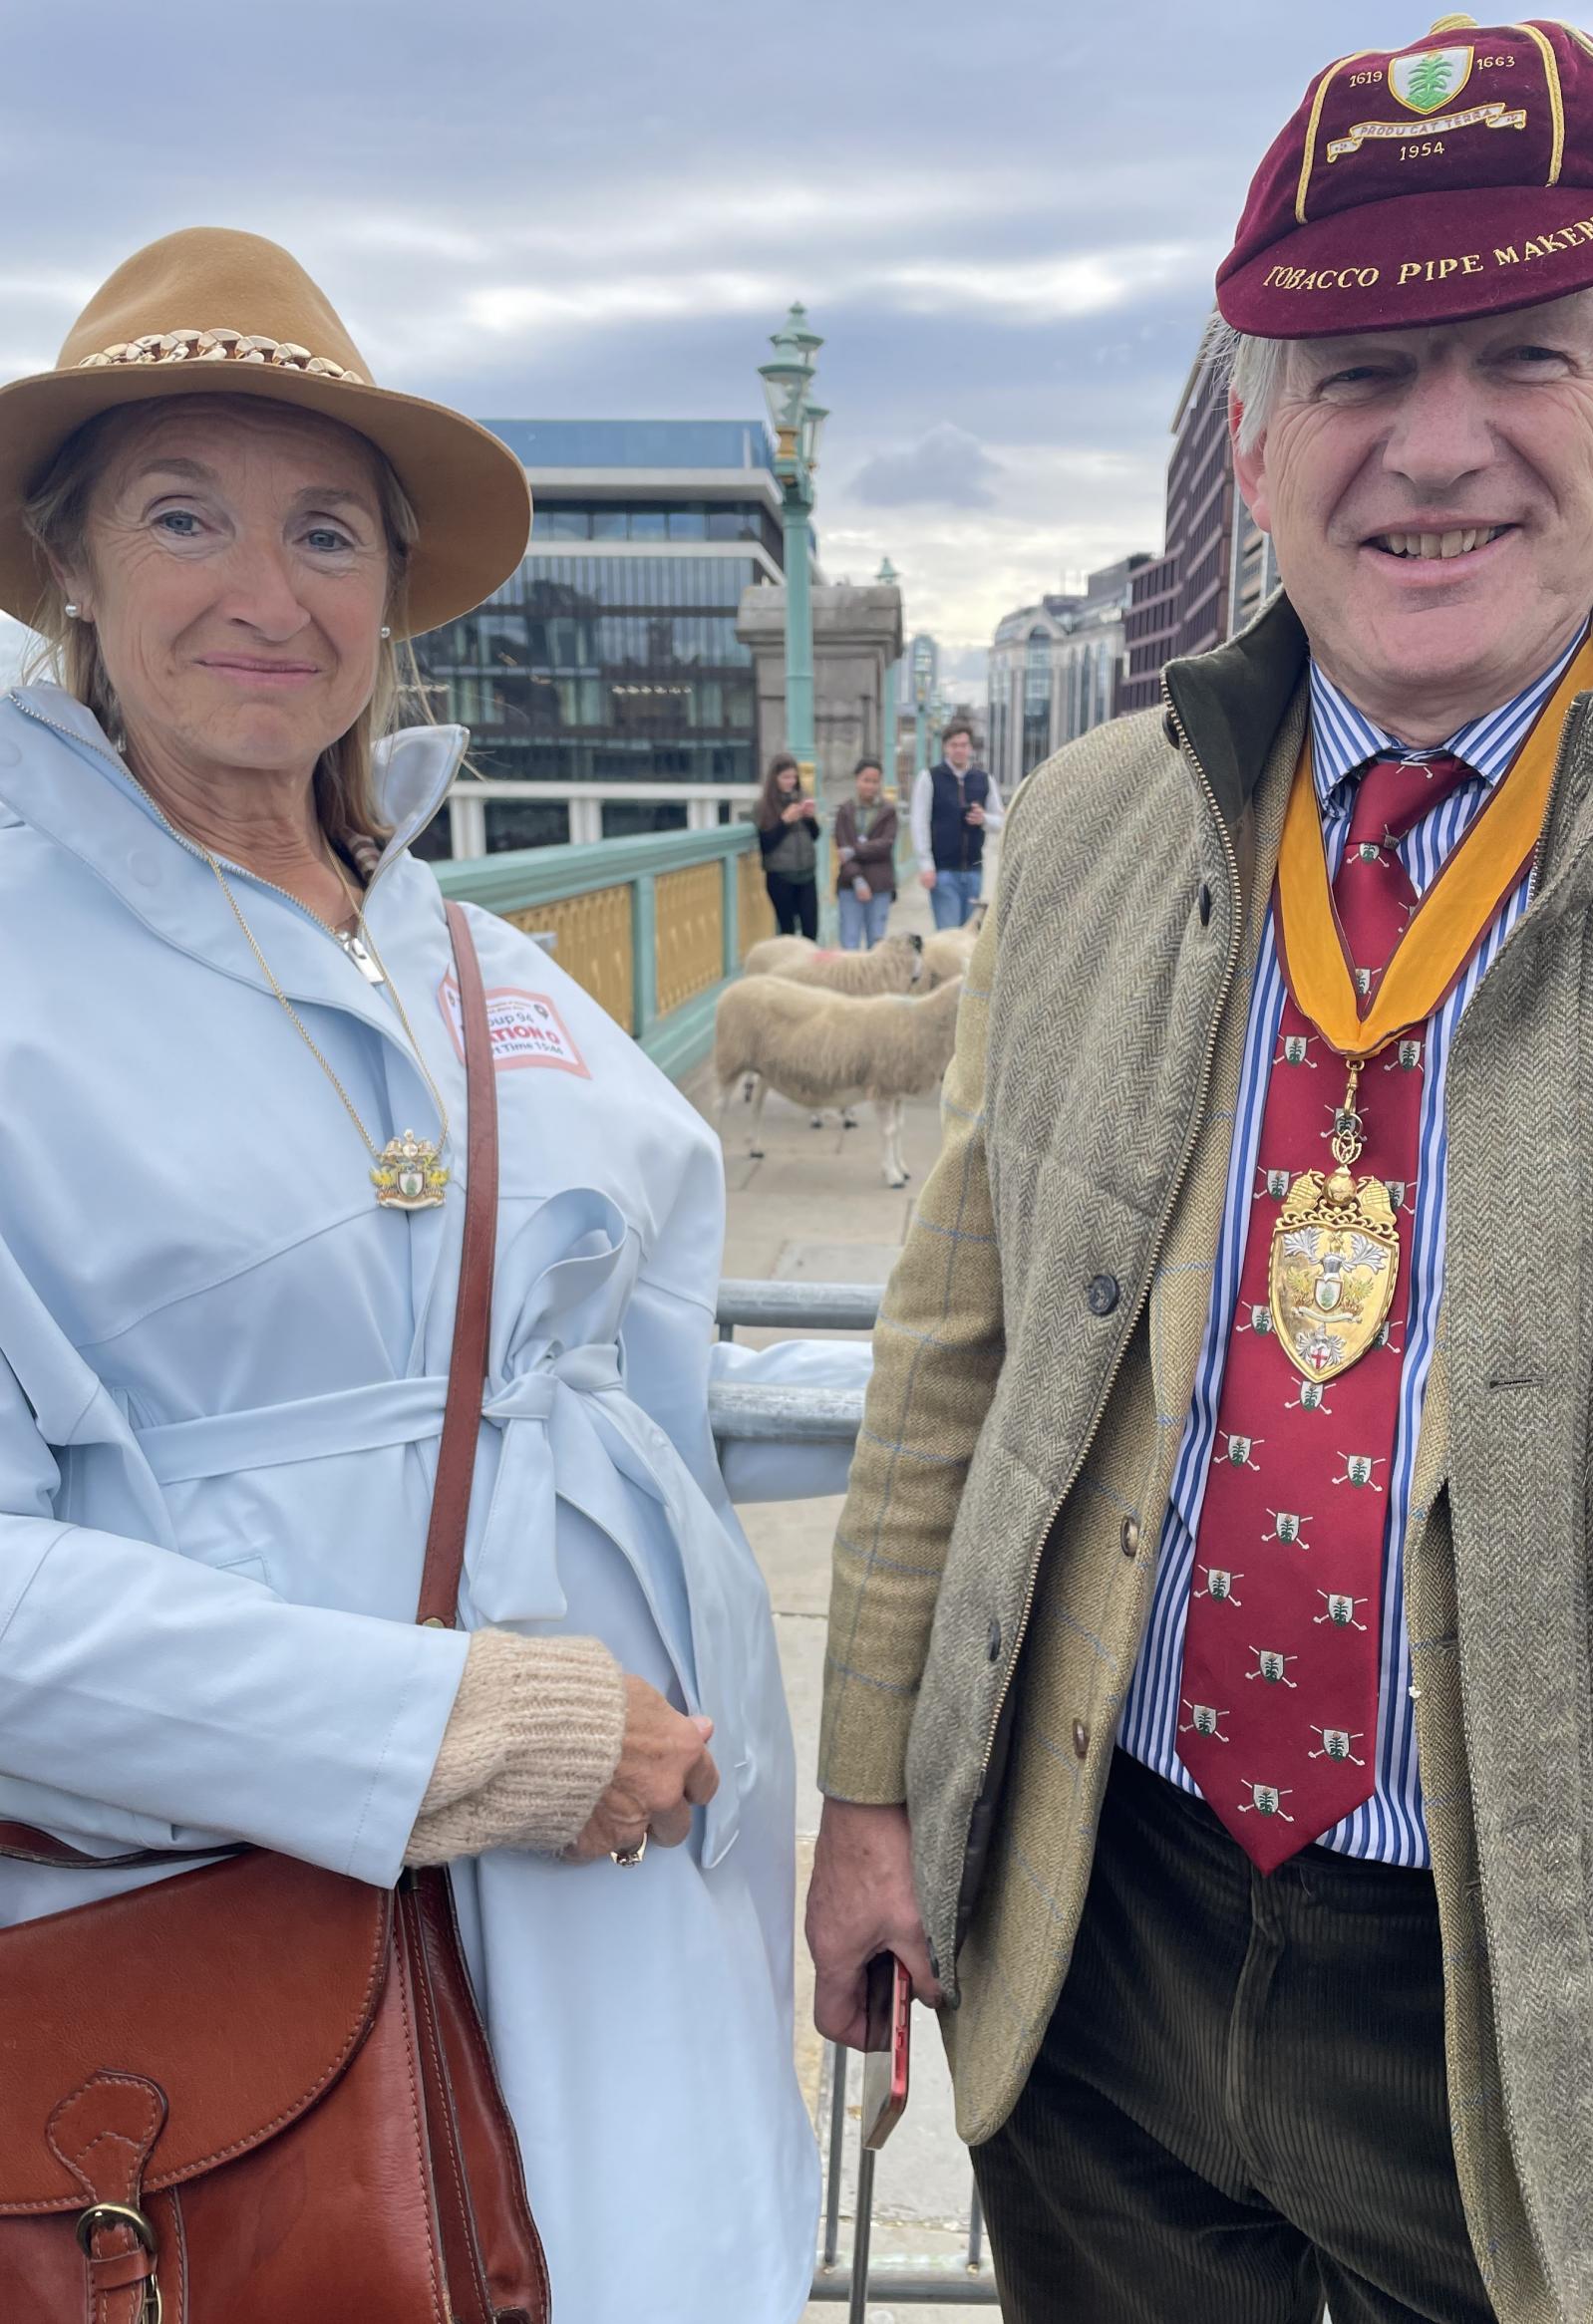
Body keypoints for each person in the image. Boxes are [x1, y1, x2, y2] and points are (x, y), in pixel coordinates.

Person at [806, 20, 1593, 2324]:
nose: (1434, 444)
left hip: (1566, 2028)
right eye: (1355, 370)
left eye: (1518, 353)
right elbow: (953, 1343)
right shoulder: (1083, 837)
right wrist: (872, 1789)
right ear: (1254, 445)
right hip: (1106, 1940)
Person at [0, 226, 869, 2324]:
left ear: (391, 590)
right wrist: (452, 1732)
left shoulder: (474, 951)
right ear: (71, 566)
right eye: (183, 512)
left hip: (649, 1893)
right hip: (273, 1943)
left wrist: (916, 1412)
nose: (264, 590)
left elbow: (628, 1367)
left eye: (325, 528)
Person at [911, 718, 1001, 929]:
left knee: (969, 938)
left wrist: (984, 819)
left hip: (974, 871)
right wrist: (926, 866)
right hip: (943, 871)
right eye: (954, 745)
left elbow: (1001, 822)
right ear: (945, 747)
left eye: (963, 745)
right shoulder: (929, 778)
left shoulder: (984, 780)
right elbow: (919, 822)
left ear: (970, 747)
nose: (959, 750)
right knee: (948, 937)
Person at [834, 755, 899, 948]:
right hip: (849, 884)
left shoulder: (888, 811)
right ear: (857, 780)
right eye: (866, 780)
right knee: (849, 941)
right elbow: (841, 848)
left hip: (880, 884)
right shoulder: (845, 811)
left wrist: (853, 851)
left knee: (877, 943)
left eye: (875, 781)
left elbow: (885, 845)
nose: (870, 786)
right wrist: (858, 880)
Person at [757, 749, 820, 938]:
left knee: (811, 931)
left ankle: (810, 967)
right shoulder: (764, 806)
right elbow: (766, 845)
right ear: (774, 778)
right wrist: (784, 822)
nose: (791, 782)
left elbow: (815, 836)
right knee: (788, 932)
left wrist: (810, 819)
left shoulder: (802, 797)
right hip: (780, 876)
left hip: (807, 874)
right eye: (786, 777)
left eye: (794, 777)